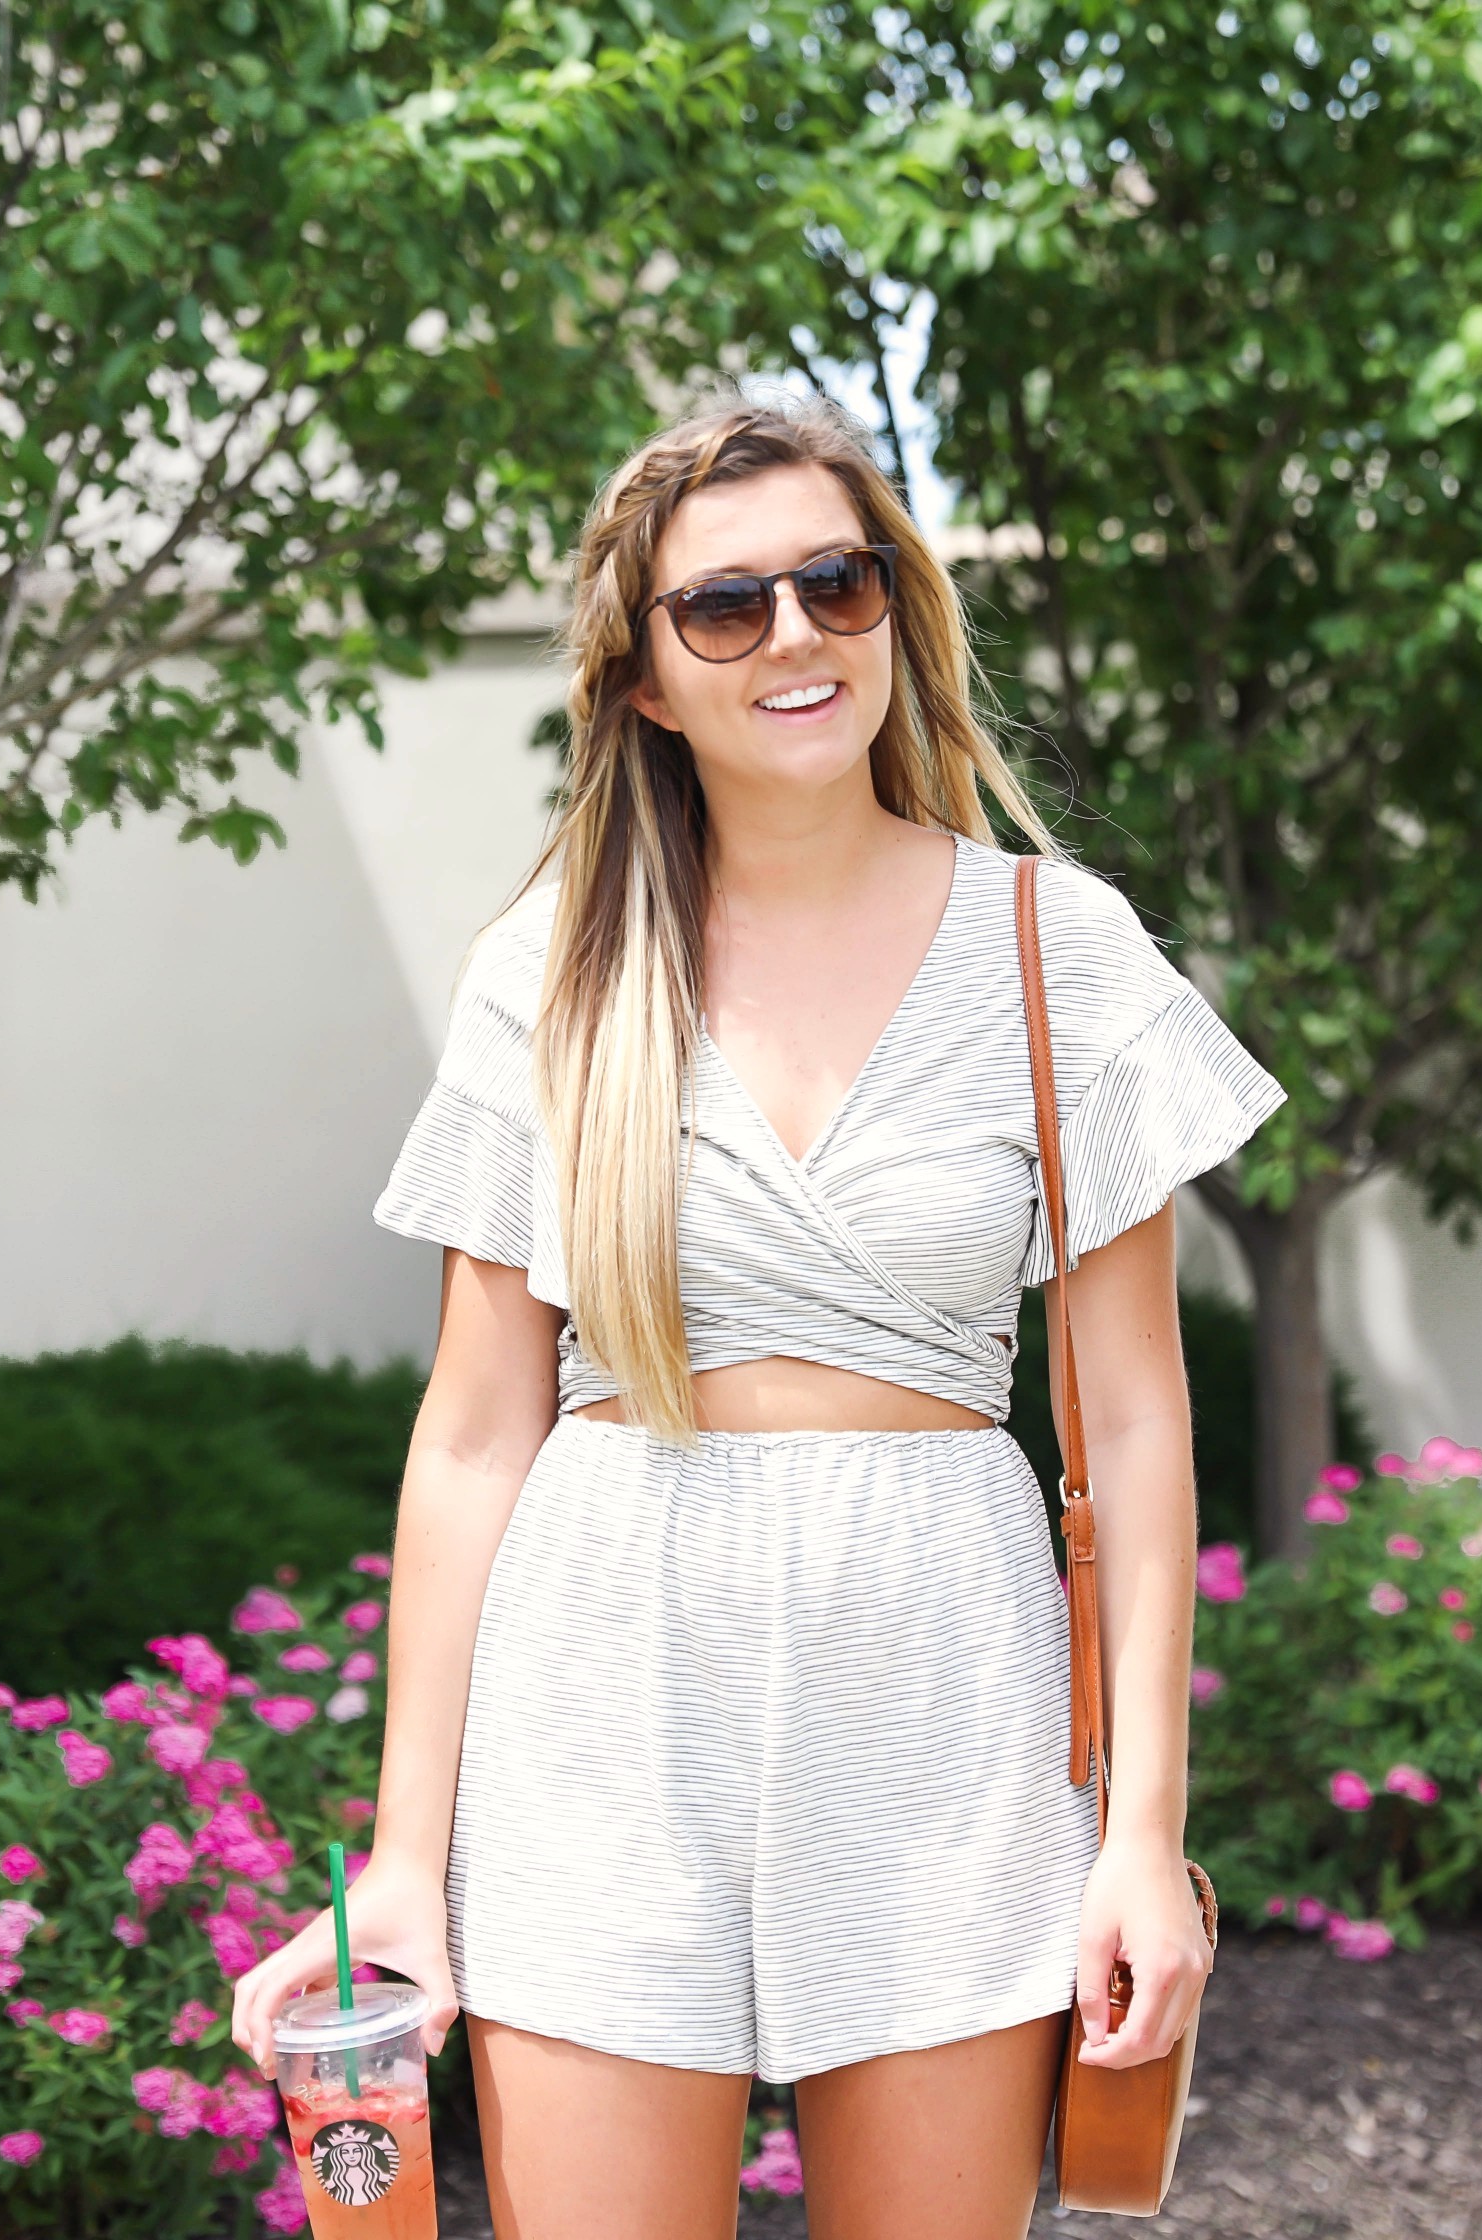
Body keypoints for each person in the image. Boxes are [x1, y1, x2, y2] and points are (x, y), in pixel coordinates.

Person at [231, 396, 1284, 2237]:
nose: (795, 634)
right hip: (604, 1698)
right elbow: (475, 1435)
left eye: (837, 581)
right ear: (641, 679)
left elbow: (1134, 1427)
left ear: (898, 609)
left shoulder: (1058, 952)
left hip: (943, 1700)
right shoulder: (554, 967)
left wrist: (1138, 1836)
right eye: (725, 608)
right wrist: (403, 1859)